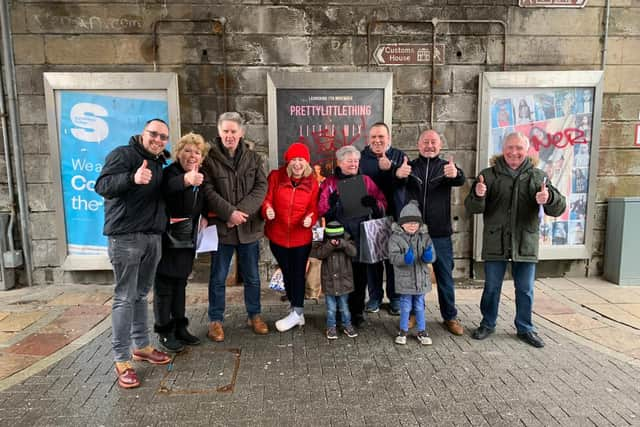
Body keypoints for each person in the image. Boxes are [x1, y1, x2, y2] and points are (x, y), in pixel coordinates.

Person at [465, 131, 566, 348]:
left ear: (527, 150)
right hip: (496, 242)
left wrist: (549, 199)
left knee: (525, 289)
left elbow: (559, 207)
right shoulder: (488, 175)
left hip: (525, 243)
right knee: (492, 287)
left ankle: (525, 328)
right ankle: (488, 323)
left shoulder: (539, 177)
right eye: (510, 147)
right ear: (503, 149)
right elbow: (471, 208)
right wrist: (478, 194)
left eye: (519, 148)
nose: (514, 152)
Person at [95, 118, 172, 389]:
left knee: (141, 294)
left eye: (163, 137)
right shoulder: (123, 155)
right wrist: (131, 178)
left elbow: (154, 199)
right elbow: (102, 186)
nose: (158, 140)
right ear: (143, 133)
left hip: (152, 237)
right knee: (125, 297)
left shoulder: (159, 161)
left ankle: (142, 346)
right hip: (125, 237)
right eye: (154, 134)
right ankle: (121, 358)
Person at [201, 112, 268, 342]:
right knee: (218, 277)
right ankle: (216, 320)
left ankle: (254, 315)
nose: (229, 135)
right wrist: (228, 213)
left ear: (241, 133)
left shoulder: (253, 158)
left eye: (233, 131)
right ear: (219, 132)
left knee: (253, 277)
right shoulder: (208, 159)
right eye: (225, 131)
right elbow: (207, 191)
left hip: (248, 228)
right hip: (222, 229)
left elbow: (261, 187)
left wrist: (240, 213)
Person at [401, 129, 466, 336]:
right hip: (414, 233)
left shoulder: (446, 167)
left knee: (444, 276)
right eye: (425, 142)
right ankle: (411, 314)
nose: (429, 146)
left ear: (440, 145)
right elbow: (394, 183)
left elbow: (460, 179)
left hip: (440, 233)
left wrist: (456, 173)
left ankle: (450, 316)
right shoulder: (409, 167)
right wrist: (396, 174)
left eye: (433, 142)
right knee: (413, 277)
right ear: (419, 145)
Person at [318, 145, 386, 328]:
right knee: (339, 275)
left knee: (359, 276)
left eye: (356, 161)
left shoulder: (366, 181)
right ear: (340, 163)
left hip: (361, 236)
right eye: (350, 161)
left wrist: (374, 204)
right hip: (339, 236)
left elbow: (382, 202)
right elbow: (321, 209)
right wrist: (331, 207)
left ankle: (357, 311)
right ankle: (340, 312)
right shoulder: (329, 183)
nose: (354, 164)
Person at [153, 132, 207, 353]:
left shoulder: (200, 176)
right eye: (187, 151)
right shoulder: (170, 173)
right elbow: (167, 188)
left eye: (197, 152)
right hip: (167, 238)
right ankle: (164, 331)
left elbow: (199, 203)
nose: (192, 155)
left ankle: (180, 327)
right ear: (178, 153)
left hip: (186, 239)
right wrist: (186, 180)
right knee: (164, 286)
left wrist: (205, 217)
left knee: (180, 284)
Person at [262, 142, 319, 332]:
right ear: (288, 161)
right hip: (277, 236)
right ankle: (297, 311)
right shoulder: (276, 177)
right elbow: (267, 198)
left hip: (300, 238)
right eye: (294, 159)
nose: (297, 164)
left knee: (297, 274)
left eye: (301, 159)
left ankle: (297, 312)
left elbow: (314, 208)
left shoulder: (312, 182)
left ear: (306, 162)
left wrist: (310, 218)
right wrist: (267, 209)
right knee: (286, 272)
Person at [359, 122, 407, 315]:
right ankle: (375, 297)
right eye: (374, 137)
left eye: (381, 137)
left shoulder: (399, 156)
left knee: (393, 260)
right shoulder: (361, 159)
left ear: (389, 138)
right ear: (368, 139)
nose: (377, 141)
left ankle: (394, 298)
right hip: (371, 218)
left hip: (394, 215)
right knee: (373, 261)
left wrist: (392, 168)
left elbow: (406, 181)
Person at [388, 201, 436, 345]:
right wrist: (404, 258)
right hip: (405, 280)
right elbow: (393, 257)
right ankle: (403, 330)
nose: (412, 225)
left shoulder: (425, 237)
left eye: (415, 223)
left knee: (420, 305)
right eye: (408, 223)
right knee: (405, 305)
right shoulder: (395, 238)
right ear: (401, 224)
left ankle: (422, 331)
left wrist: (429, 256)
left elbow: (432, 255)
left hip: (421, 279)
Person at [311, 221, 358, 340]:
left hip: (344, 283)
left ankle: (347, 325)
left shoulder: (347, 241)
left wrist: (343, 244)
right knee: (331, 308)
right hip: (329, 282)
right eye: (332, 239)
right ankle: (331, 327)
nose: (335, 241)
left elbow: (354, 252)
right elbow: (319, 254)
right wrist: (330, 245)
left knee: (344, 307)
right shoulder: (323, 243)